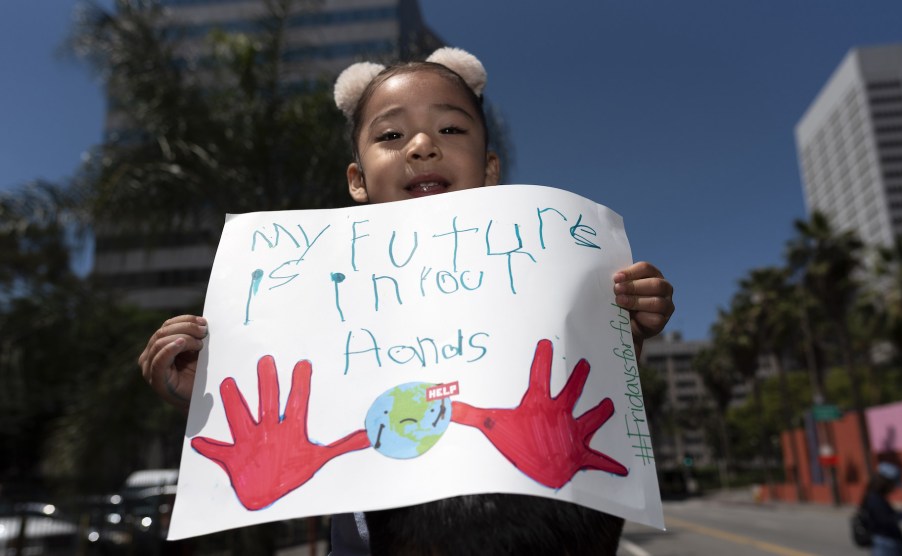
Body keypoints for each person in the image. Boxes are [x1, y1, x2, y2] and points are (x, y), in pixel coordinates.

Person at [139, 47, 675, 555]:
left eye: (450, 128)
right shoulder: (312, 297)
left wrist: (620, 334)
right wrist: (207, 392)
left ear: (490, 170)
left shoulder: (552, 266)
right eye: (392, 133)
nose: (422, 145)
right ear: (357, 179)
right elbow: (285, 414)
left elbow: (586, 396)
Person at [861, 462, 902, 556]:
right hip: (885, 543)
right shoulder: (875, 499)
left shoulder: (875, 497)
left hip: (885, 542)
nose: (894, 488)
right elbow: (884, 520)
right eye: (893, 484)